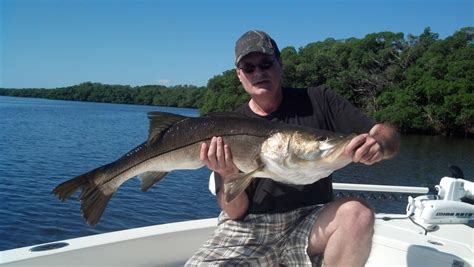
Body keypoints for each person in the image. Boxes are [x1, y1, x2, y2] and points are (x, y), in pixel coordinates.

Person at [186, 30, 400, 266]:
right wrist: (227, 173)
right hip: (248, 227)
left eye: (266, 63)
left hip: (311, 220)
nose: (259, 73)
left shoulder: (320, 100)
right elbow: (235, 213)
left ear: (280, 64)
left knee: (358, 213)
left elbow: (386, 132)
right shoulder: (229, 127)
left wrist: (379, 143)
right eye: (249, 68)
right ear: (239, 75)